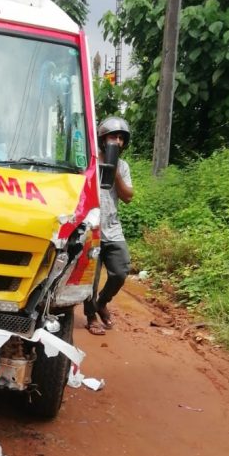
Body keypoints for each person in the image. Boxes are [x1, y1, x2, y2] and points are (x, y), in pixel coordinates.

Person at [84, 116, 134, 335]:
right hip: (91, 228)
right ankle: (91, 316)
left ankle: (102, 302)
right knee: (90, 279)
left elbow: (128, 197)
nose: (117, 141)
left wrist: (113, 173)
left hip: (113, 228)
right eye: (113, 136)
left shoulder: (122, 167)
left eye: (121, 138)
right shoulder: (90, 162)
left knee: (120, 271)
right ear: (103, 139)